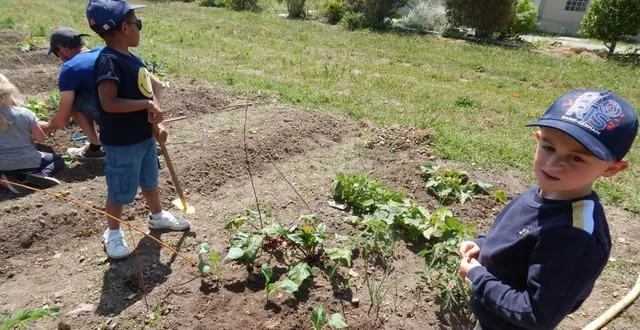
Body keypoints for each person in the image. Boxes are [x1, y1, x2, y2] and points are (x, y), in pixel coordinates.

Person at [458, 90, 638, 330]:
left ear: (612, 169)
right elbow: (520, 239)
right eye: (549, 148)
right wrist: (483, 244)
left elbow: (536, 314)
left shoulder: (575, 237)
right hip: (493, 317)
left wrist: (477, 277)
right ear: (538, 138)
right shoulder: (545, 191)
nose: (553, 164)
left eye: (576, 158)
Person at [86, 0, 191, 259]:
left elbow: (152, 90)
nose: (139, 29)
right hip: (122, 142)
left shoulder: (132, 59)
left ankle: (157, 217)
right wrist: (145, 104)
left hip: (143, 137)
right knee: (120, 190)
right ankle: (112, 232)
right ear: (124, 28)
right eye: (137, 23)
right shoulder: (109, 62)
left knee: (149, 180)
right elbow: (108, 103)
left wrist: (158, 123)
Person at [39, 27, 106, 161]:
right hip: (136, 111)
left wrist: (46, 127)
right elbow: (155, 83)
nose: (59, 58)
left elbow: (63, 119)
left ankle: (96, 147)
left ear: (63, 49)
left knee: (72, 102)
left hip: (113, 115)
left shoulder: (70, 67)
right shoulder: (104, 51)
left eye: (56, 54)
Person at [0, 74, 64, 194]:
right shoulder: (25, 113)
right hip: (29, 163)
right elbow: (41, 139)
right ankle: (41, 174)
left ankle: (5, 179)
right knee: (56, 159)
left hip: (2, 165)